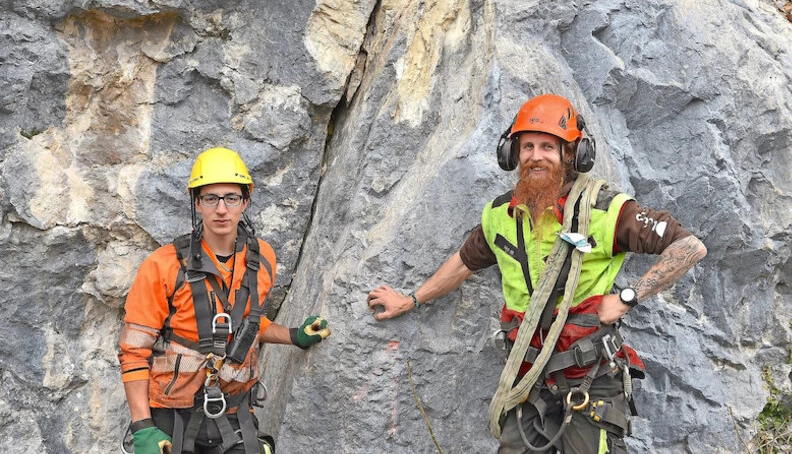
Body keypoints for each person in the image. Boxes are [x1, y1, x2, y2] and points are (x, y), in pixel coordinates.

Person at [366, 94, 706, 453]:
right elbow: (464, 262)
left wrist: (627, 297)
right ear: (512, 154)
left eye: (548, 146)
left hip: (589, 380)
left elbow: (688, 247)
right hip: (527, 381)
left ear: (572, 154)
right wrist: (410, 300)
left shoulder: (607, 211)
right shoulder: (501, 215)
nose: (535, 156)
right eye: (527, 146)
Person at [118, 147, 331, 454]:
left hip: (234, 414)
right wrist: (142, 427)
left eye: (231, 198)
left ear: (245, 201)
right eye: (211, 198)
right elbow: (134, 351)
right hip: (172, 415)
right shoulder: (161, 266)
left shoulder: (262, 259)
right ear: (197, 203)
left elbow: (248, 323)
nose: (221, 209)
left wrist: (294, 336)